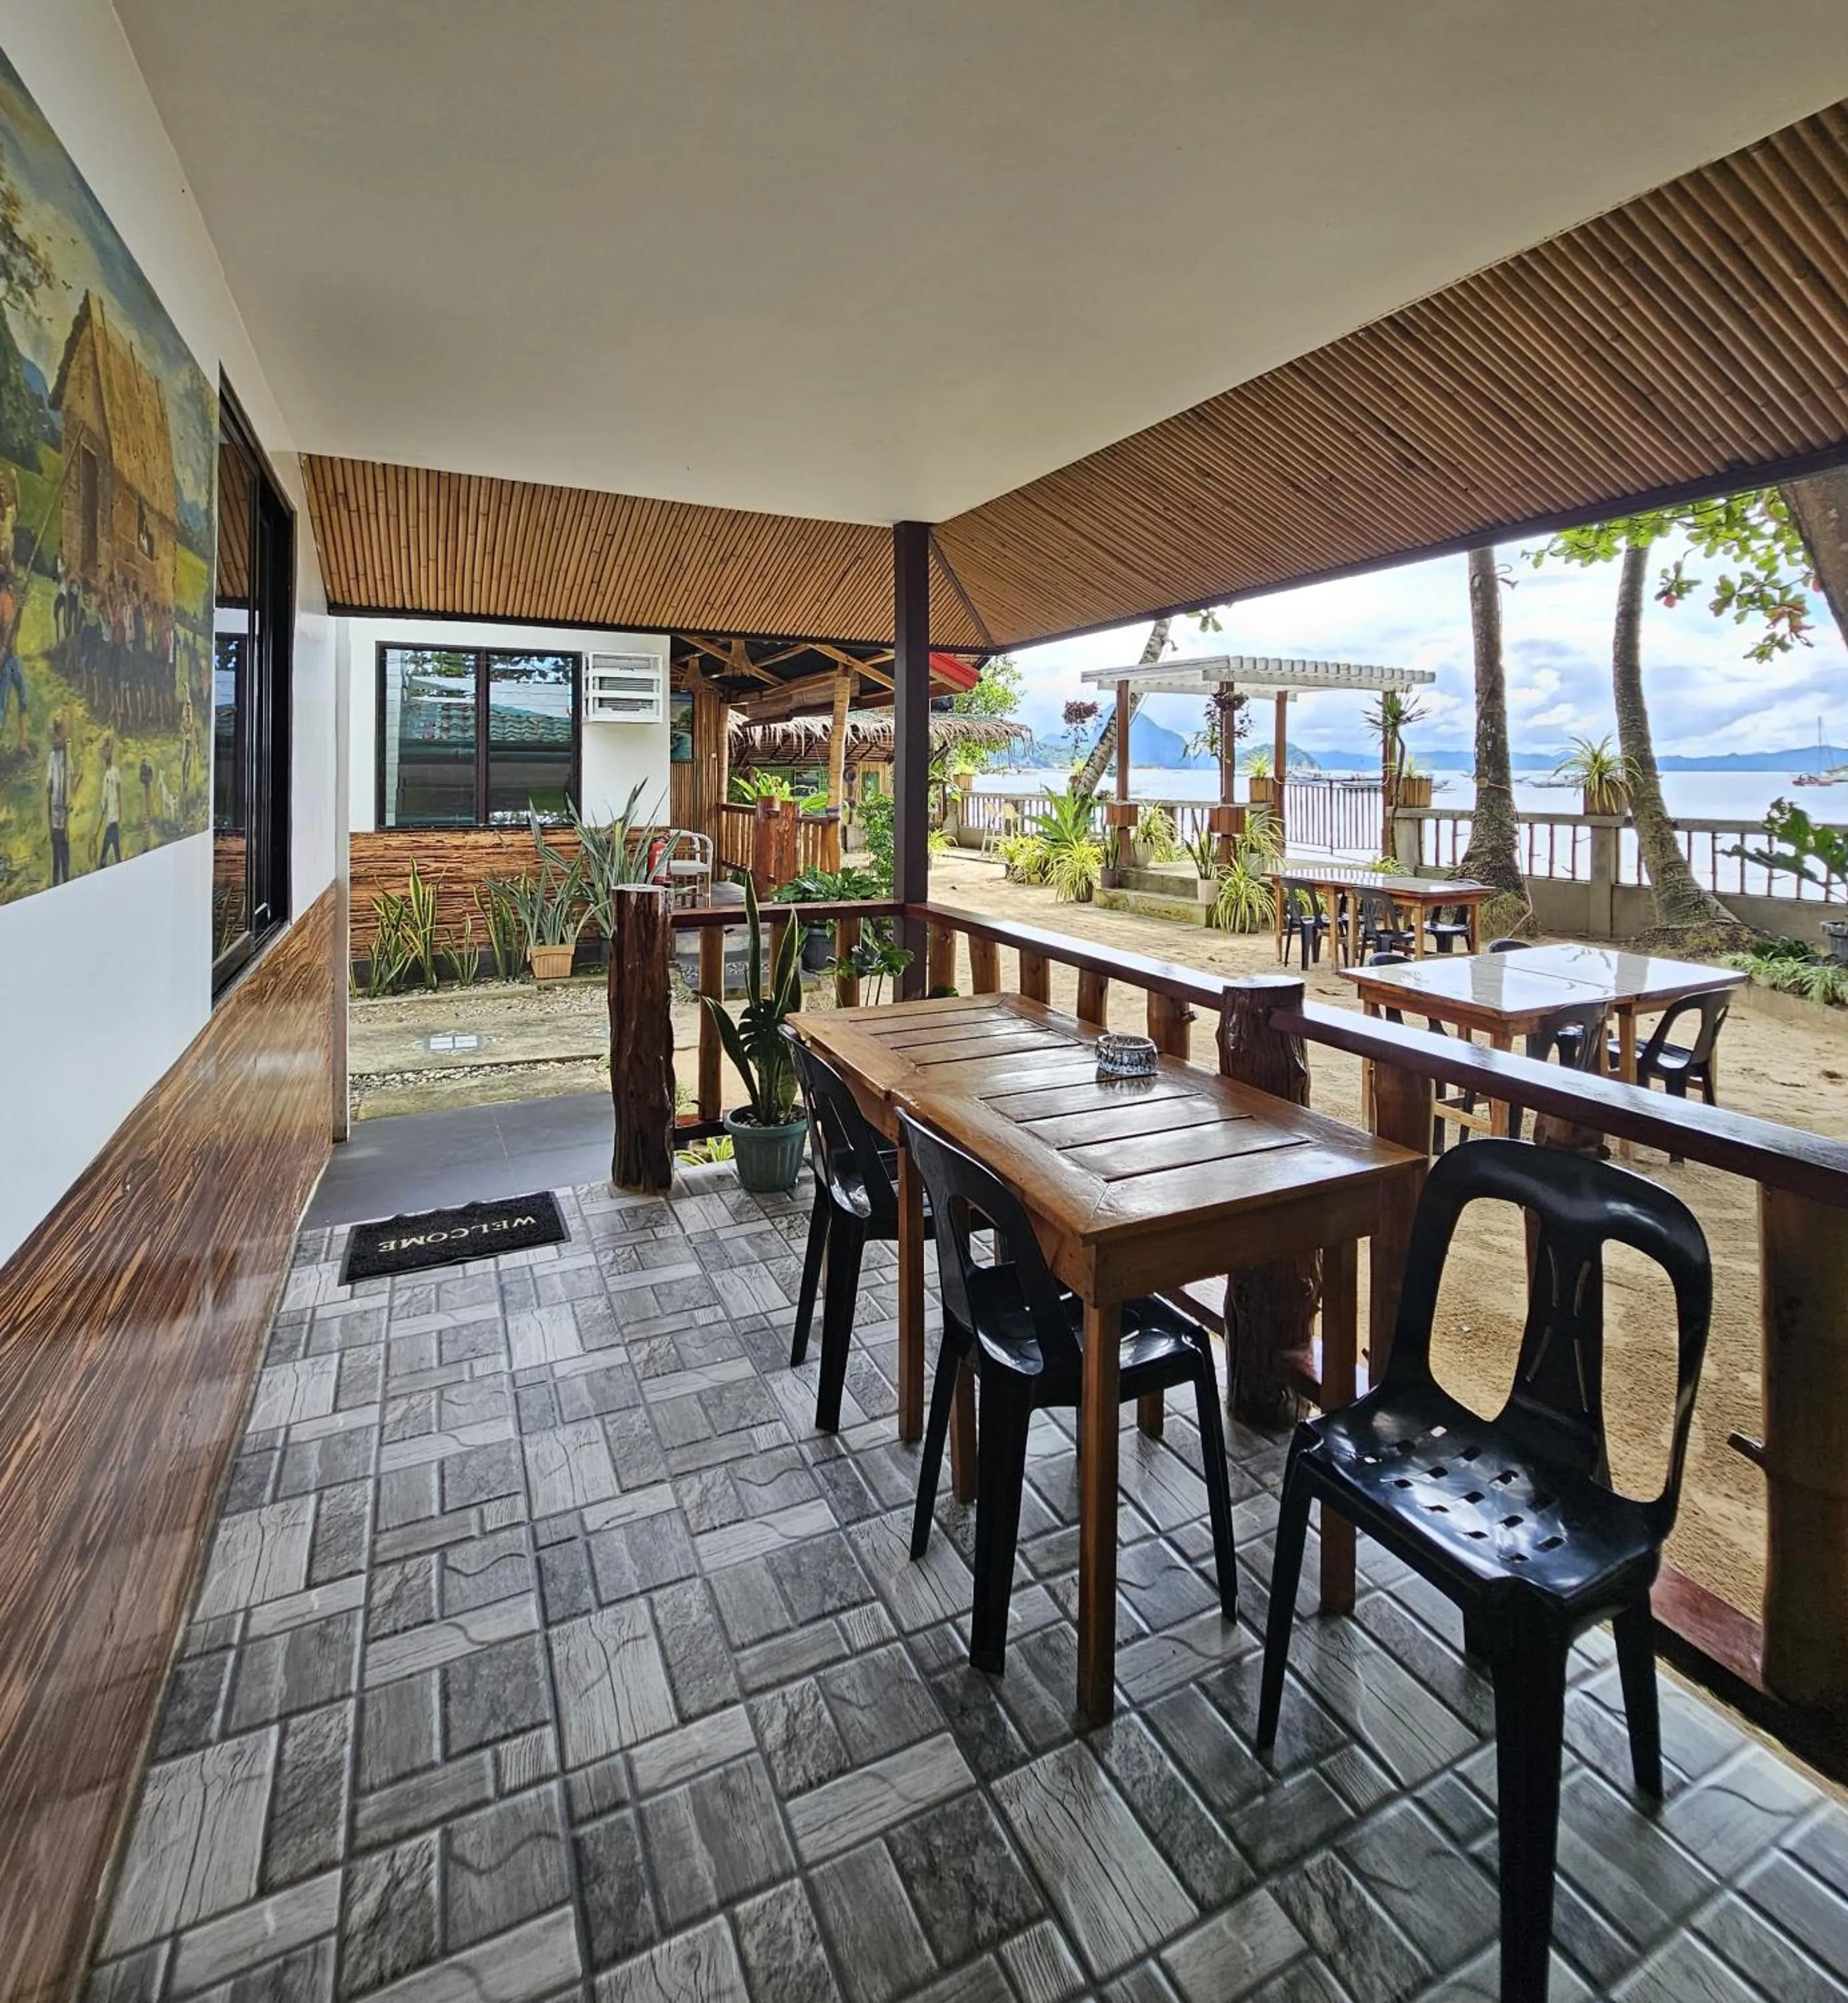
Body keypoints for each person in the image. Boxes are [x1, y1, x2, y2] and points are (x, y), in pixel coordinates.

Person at [47, 712, 74, 885]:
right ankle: (56, 881)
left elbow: (69, 780)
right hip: (55, 809)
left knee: (64, 846)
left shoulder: (66, 757)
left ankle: (66, 879)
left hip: (65, 809)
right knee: (56, 846)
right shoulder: (53, 757)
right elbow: (49, 787)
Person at [0, 568, 24, 754]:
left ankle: (22, 743)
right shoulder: (5, 600)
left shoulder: (9, 600)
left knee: (23, 696)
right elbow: (9, 628)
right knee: (2, 703)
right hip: (6, 656)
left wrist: (20, 608)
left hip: (11, 655)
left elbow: (15, 626)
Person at [96, 734, 122, 867]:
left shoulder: (114, 772)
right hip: (110, 819)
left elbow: (118, 791)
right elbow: (104, 801)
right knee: (115, 848)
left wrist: (120, 810)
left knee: (107, 850)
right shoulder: (107, 775)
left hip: (113, 818)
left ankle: (104, 863)